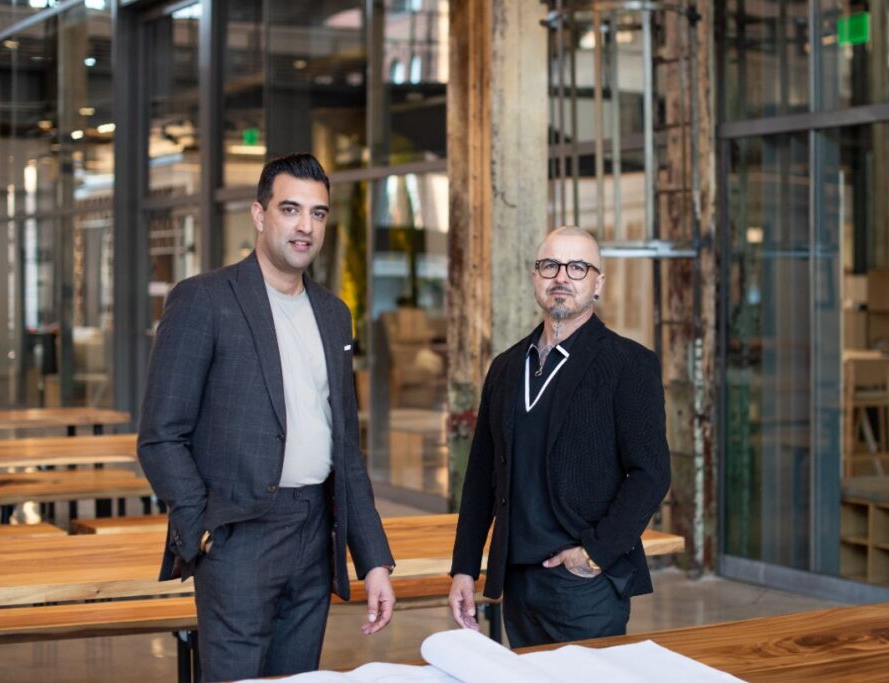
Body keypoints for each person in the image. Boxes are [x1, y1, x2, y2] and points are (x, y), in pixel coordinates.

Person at [138, 153, 395, 681]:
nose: (305, 226)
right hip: (239, 534)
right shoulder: (204, 300)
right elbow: (160, 436)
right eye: (291, 209)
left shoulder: (333, 313)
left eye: (318, 214)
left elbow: (345, 449)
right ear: (260, 215)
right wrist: (203, 527)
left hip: (315, 531)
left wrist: (373, 560)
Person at [447, 226, 671, 647]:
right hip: (516, 580)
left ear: (598, 282)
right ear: (535, 276)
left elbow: (651, 474)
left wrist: (594, 555)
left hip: (583, 584)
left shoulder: (628, 364)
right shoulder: (507, 367)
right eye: (550, 265)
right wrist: (464, 567)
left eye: (578, 267)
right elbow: (480, 477)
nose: (561, 277)